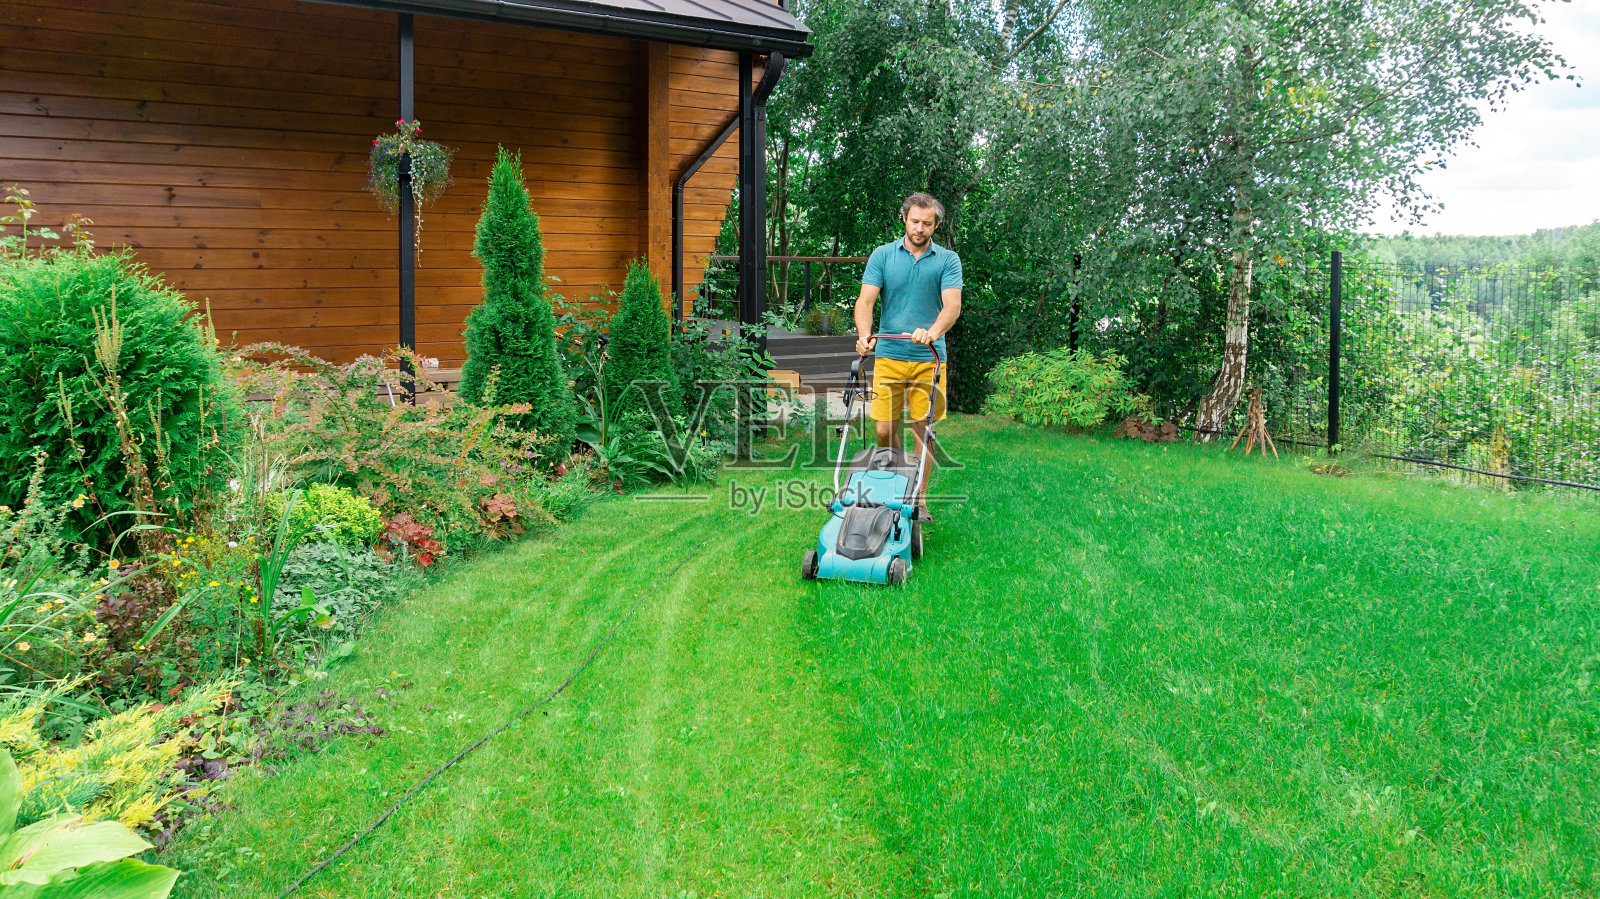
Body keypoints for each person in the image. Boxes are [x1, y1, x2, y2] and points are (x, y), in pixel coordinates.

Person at [853, 192, 963, 523]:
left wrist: (932, 331)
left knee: (923, 430)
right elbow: (866, 302)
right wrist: (864, 335)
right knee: (884, 429)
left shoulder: (947, 260)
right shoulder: (883, 255)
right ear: (904, 218)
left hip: (929, 359)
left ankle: (918, 499)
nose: (919, 228)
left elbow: (952, 307)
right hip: (888, 355)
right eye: (914, 221)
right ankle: (899, 479)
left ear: (936, 225)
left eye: (926, 224)